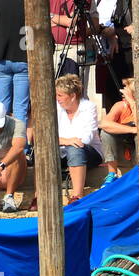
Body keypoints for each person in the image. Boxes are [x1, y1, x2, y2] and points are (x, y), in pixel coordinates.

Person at [51, 74, 102, 203]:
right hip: (63, 151)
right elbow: (47, 137)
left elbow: (86, 139)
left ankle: (77, 196)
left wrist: (63, 141)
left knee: (75, 149)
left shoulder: (88, 107)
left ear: (73, 96)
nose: (57, 99)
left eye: (60, 95)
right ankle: (38, 195)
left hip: (89, 152)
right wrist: (67, 141)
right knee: (45, 151)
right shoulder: (55, 109)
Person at [100, 78, 139, 184]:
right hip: (123, 152)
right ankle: (112, 174)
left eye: (126, 93)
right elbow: (104, 124)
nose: (123, 95)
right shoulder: (120, 105)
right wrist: (131, 129)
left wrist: (132, 102)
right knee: (106, 133)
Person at [94, 0, 134, 115]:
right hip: (103, 50)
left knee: (122, 90)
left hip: (119, 51)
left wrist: (112, 33)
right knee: (107, 91)